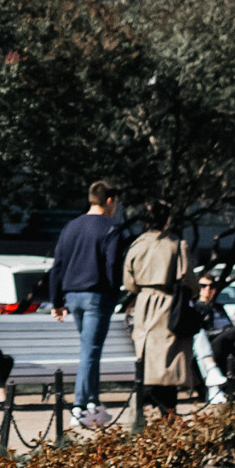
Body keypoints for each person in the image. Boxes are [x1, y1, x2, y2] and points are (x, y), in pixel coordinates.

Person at [47, 182, 126, 430]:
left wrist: (56, 300)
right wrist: (116, 295)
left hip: (72, 295)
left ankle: (94, 402)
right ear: (110, 200)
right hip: (97, 295)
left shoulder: (71, 226)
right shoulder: (112, 227)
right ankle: (79, 406)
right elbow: (113, 264)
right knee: (90, 351)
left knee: (90, 350)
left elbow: (57, 264)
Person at [123, 209, 192, 416]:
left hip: (143, 303)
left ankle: (143, 411)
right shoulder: (176, 245)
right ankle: (167, 412)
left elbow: (129, 281)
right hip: (168, 305)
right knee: (168, 364)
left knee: (147, 360)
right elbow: (188, 278)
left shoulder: (137, 245)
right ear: (167, 220)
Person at [188, 273, 235, 407]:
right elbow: (200, 333)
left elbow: (228, 326)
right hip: (206, 349)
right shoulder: (195, 307)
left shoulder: (218, 307)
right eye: (203, 286)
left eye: (211, 286)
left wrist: (226, 332)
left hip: (223, 345)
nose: (207, 290)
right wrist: (225, 332)